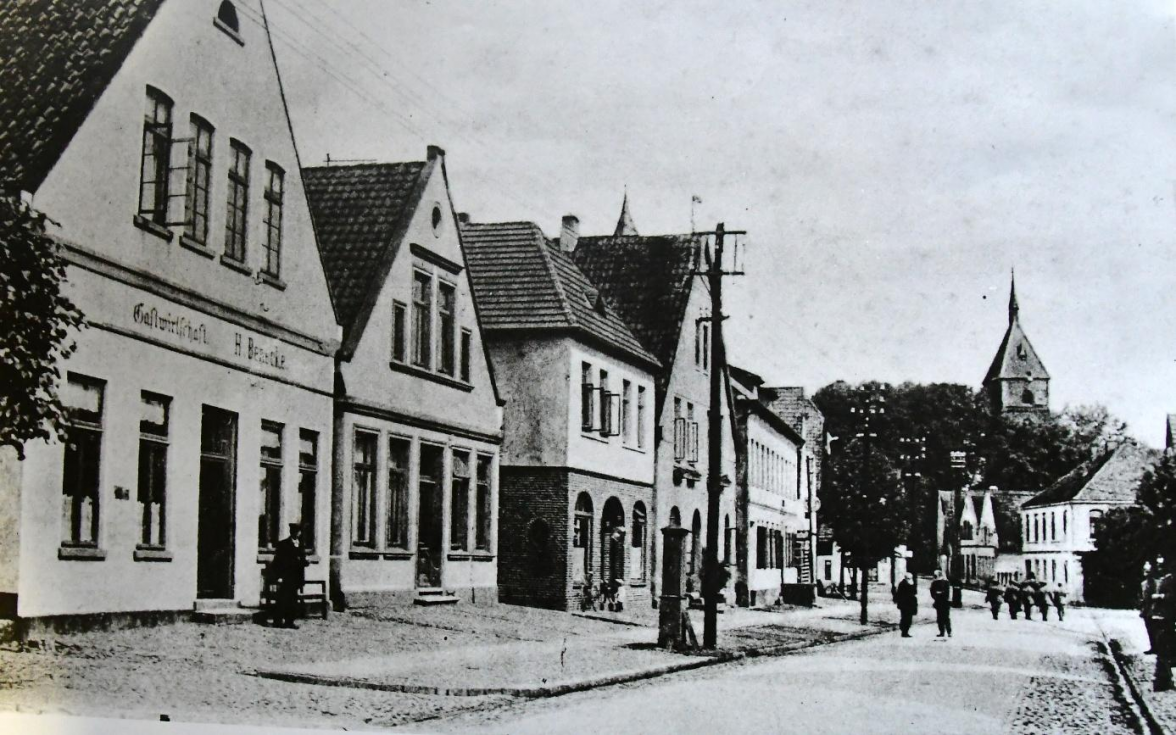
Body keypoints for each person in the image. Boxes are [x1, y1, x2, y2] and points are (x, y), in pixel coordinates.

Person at [269, 523, 308, 629]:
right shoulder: (283, 544)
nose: (297, 534)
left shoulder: (301, 545)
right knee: (283, 599)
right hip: (286, 576)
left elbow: (303, 560)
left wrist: (304, 562)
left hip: (296, 577)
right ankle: (277, 621)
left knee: (293, 600)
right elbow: (278, 562)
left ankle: (289, 621)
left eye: (299, 532)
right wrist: (279, 576)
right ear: (291, 532)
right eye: (295, 531)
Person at [1150, 560, 1175, 692]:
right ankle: (1163, 679)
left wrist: (1160, 596)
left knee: (1165, 649)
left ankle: (1163, 679)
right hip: (1161, 617)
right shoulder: (1165, 579)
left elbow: (1172, 597)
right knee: (1162, 648)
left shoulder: (1171, 579)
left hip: (1168, 618)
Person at [1142, 561, 1159, 654]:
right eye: (1145, 571)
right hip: (1146, 609)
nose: (1146, 573)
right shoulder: (1143, 584)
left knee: (1155, 629)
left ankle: (1157, 647)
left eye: (1148, 571)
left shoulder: (1156, 583)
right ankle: (1153, 647)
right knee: (1149, 629)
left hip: (1154, 609)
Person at [894, 573, 918, 637]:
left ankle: (905, 631)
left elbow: (915, 592)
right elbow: (899, 594)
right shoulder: (902, 584)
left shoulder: (912, 583)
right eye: (908, 578)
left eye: (910, 578)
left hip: (911, 604)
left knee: (909, 619)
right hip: (904, 604)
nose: (910, 579)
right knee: (905, 618)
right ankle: (904, 632)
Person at [930, 569, 952, 638]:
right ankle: (944, 632)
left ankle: (946, 632)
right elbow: (932, 592)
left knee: (943, 618)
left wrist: (937, 595)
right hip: (942, 602)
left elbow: (946, 593)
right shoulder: (936, 583)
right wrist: (936, 596)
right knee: (942, 618)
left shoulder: (944, 582)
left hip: (942, 602)